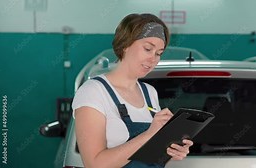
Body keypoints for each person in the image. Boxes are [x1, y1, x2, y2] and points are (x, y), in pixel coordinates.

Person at [72, 13, 193, 168]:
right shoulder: (93, 92)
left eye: (159, 53)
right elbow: (94, 164)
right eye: (148, 49)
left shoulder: (149, 93)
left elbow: (148, 156)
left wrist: (171, 149)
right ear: (125, 45)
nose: (153, 59)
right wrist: (149, 134)